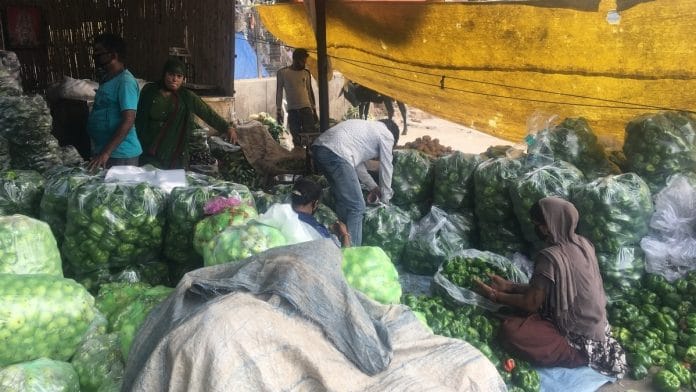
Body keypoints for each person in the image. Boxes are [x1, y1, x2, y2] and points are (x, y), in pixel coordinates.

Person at [475, 196, 627, 377]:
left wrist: (496, 295)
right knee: (514, 312)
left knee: (510, 331)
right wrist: (509, 286)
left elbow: (531, 303)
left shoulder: (550, 257)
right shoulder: (584, 244)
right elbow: (549, 290)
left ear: (548, 226)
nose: (537, 229)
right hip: (597, 329)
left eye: (538, 224)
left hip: (578, 339)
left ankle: (573, 356)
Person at [135, 58, 238, 169]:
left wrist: (227, 128)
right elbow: (139, 121)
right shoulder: (149, 91)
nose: (174, 79)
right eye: (171, 74)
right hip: (150, 150)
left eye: (179, 76)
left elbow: (207, 113)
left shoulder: (186, 96)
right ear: (164, 74)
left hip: (174, 152)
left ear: (183, 79)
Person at [311, 119, 400, 246]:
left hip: (319, 149)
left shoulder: (366, 130)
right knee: (357, 207)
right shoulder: (387, 135)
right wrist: (385, 199)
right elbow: (386, 166)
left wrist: (373, 186)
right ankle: (353, 253)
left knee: (343, 201)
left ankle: (341, 241)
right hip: (336, 153)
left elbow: (357, 166)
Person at [87, 33, 142, 170]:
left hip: (121, 155)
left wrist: (106, 153)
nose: (95, 58)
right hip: (106, 152)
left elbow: (129, 119)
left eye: (99, 54)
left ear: (114, 55)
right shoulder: (109, 79)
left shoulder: (125, 82)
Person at [291, 178, 351, 248]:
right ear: (315, 203)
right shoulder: (317, 231)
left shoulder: (280, 217)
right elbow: (341, 257)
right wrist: (344, 236)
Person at [275, 48, 317, 148]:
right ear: (295, 59)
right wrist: (278, 111)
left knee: (311, 137)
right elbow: (279, 92)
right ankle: (301, 158)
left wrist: (314, 110)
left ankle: (310, 159)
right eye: (302, 61)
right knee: (296, 138)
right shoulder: (282, 73)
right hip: (293, 110)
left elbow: (310, 91)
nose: (304, 63)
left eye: (305, 61)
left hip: (306, 109)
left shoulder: (306, 73)